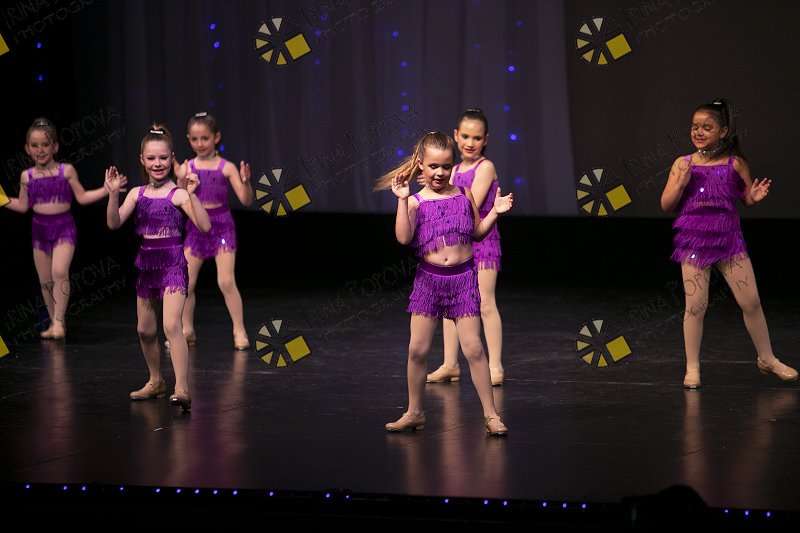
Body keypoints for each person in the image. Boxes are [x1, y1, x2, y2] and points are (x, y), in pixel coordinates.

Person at [374, 131, 512, 435]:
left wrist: (495, 212)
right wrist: (401, 200)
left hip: (463, 282)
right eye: (433, 166)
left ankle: (491, 416)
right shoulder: (416, 201)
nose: (440, 172)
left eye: (446, 166)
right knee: (417, 350)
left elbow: (477, 233)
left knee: (473, 349)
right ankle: (414, 412)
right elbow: (403, 238)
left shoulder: (464, 195)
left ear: (452, 166)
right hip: (429, 283)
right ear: (421, 166)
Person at [660, 98, 797, 389]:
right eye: (694, 127)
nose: (698, 132)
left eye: (706, 127)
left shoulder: (735, 164)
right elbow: (666, 204)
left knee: (751, 301)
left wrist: (753, 199)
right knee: (695, 305)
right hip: (694, 243)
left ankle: (767, 358)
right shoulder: (682, 164)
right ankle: (692, 367)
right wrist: (681, 184)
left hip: (729, 242)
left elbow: (745, 197)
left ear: (723, 132)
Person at [105, 125, 210, 410]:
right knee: (144, 330)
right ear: (142, 160)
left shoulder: (178, 195)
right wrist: (113, 195)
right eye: (151, 158)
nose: (158, 163)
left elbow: (204, 225)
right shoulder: (136, 193)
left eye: (163, 158)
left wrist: (193, 194)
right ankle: (156, 381)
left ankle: (182, 387)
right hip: (148, 265)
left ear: (172, 158)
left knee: (171, 325)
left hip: (173, 263)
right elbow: (113, 223)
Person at [3, 117, 126, 340]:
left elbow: (82, 196)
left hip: (63, 227)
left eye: (45, 144)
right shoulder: (26, 176)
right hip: (40, 230)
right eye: (35, 145)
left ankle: (59, 323)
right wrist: (2, 199)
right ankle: (54, 322)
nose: (40, 150)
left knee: (59, 271)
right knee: (45, 281)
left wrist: (106, 190)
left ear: (55, 147)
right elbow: (22, 205)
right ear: (27, 149)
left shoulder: (66, 170)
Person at [424, 108, 505, 386]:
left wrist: (437, 191)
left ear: (486, 140)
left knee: (484, 303)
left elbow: (469, 206)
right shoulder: (453, 170)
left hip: (483, 241)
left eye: (477, 138)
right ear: (456, 136)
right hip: (457, 244)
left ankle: (495, 365)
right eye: (466, 136)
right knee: (450, 305)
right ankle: (450, 364)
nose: (470, 143)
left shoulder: (485, 167)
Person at [172, 112, 253, 350]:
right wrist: (179, 180)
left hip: (222, 228)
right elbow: (179, 200)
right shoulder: (187, 167)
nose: (200, 143)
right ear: (188, 139)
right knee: (185, 283)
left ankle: (239, 330)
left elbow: (246, 200)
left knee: (226, 281)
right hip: (197, 227)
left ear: (216, 137)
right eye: (195, 139)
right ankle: (187, 330)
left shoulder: (226, 167)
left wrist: (246, 182)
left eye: (205, 138)